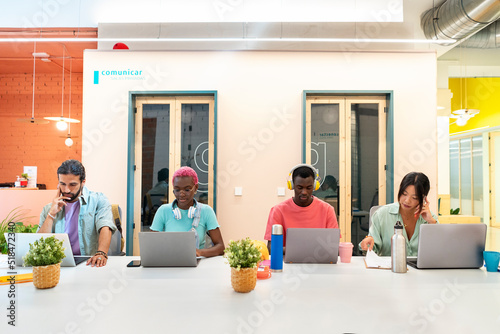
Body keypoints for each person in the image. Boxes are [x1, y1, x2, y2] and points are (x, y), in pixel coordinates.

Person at [38, 160, 116, 267]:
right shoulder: (49, 208)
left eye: (72, 184)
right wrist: (51, 214)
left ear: (83, 182)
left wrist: (101, 253)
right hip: (59, 265)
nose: (67, 190)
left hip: (88, 263)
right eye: (62, 184)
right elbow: (39, 244)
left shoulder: (98, 200)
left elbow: (105, 226)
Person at [150, 166, 224, 257]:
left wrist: (199, 253)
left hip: (197, 264)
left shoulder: (206, 211)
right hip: (170, 262)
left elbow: (221, 247)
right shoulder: (163, 211)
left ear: (196, 188)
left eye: (187, 189)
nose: (181, 194)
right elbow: (151, 246)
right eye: (177, 189)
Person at [359, 172, 439, 256]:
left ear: (424, 199)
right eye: (404, 194)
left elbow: (439, 249)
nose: (407, 200)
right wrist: (367, 245)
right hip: (390, 268)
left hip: (421, 269)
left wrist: (431, 222)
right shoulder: (382, 215)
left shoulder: (430, 218)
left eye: (414, 197)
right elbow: (372, 248)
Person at [264, 164, 339, 253]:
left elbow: (334, 247)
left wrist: (299, 251)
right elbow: (271, 247)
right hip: (287, 264)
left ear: (314, 186)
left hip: (319, 264)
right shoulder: (278, 210)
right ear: (292, 186)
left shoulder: (327, 210)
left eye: (309, 188)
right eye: (300, 188)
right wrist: (307, 251)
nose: (304, 192)